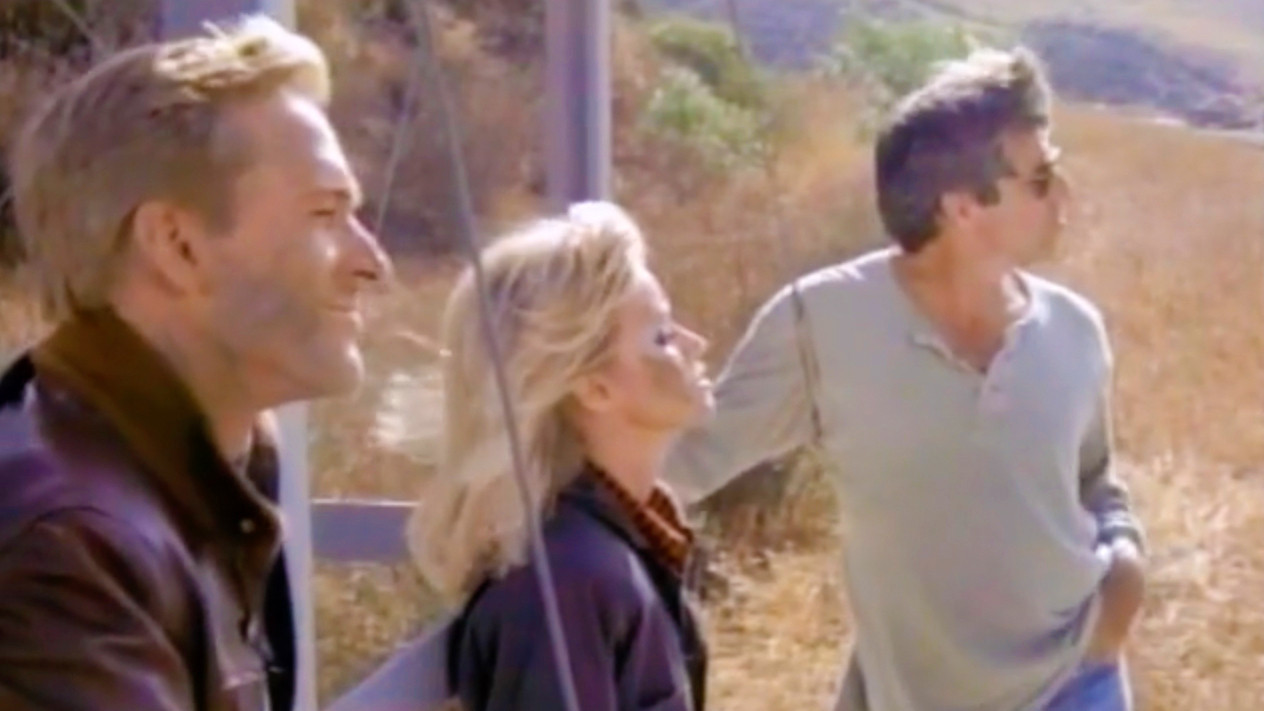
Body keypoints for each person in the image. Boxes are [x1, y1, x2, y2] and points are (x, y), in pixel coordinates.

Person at [663, 47, 1147, 711]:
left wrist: (1125, 572)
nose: (1064, 195)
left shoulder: (1075, 330)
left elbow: (1096, 482)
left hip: (1077, 684)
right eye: (1040, 178)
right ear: (961, 207)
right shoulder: (821, 320)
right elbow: (687, 459)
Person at [0, 15, 391, 711]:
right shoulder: (67, 550)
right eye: (324, 214)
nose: (372, 262)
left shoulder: (204, 467)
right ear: (177, 246)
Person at [407, 202, 712, 711]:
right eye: (662, 336)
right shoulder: (566, 585)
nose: (696, 344)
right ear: (594, 387)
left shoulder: (613, 547)